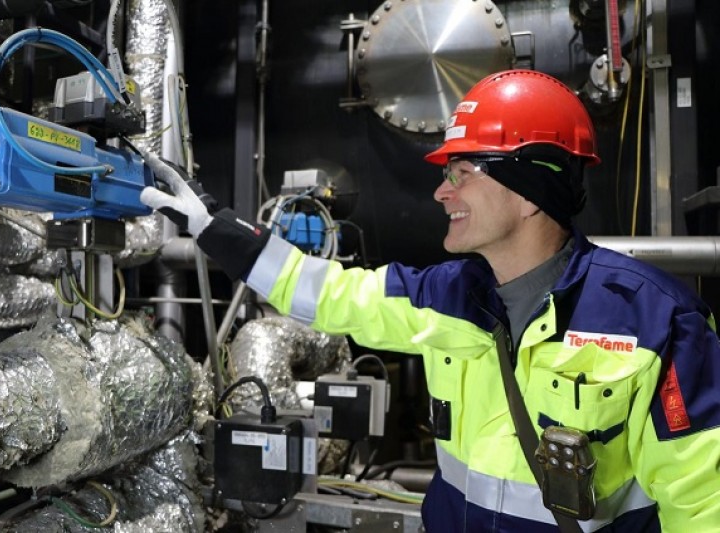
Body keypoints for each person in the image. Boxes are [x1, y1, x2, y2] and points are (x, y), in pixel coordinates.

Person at [141, 69, 720, 532]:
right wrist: (213, 227)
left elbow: (701, 507)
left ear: (529, 192)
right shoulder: (447, 295)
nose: (442, 192)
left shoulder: (657, 322)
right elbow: (324, 292)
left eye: (463, 172)